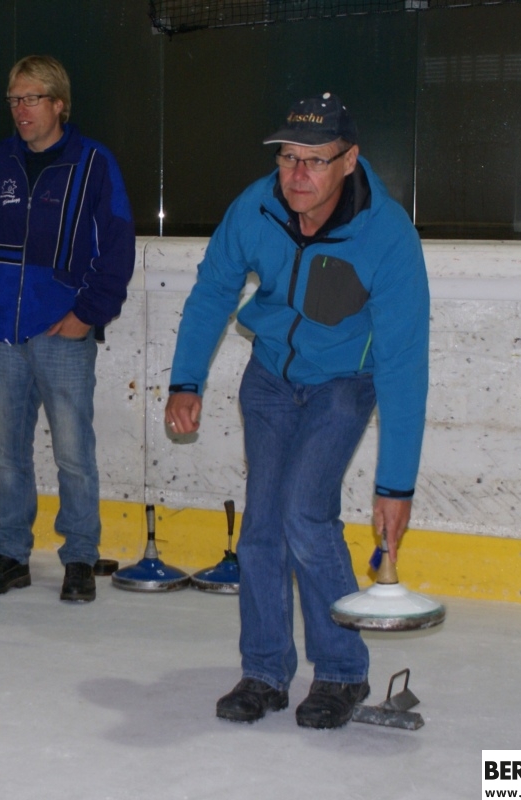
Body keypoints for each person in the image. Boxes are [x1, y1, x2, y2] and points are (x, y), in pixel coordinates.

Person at [164, 93, 429, 728]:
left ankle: (340, 672)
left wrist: (396, 485)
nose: (297, 175)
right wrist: (185, 380)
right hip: (270, 381)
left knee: (305, 514)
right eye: (287, 157)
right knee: (262, 526)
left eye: (315, 160)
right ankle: (264, 670)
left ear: (349, 161)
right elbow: (213, 291)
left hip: (345, 382)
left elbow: (403, 364)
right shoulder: (255, 208)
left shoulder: (386, 234)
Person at [0, 55, 136, 603]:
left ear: (59, 104)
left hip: (63, 333)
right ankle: (10, 554)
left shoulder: (93, 163)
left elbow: (117, 247)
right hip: (2, 334)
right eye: (14, 99)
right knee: (6, 453)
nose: (21, 109)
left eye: (32, 98)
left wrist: (87, 315)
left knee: (73, 454)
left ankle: (80, 556)